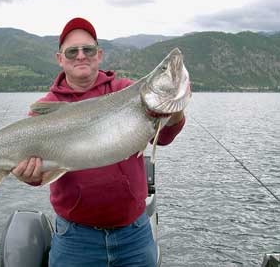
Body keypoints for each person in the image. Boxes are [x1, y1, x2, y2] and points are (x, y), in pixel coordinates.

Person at [11, 17, 185, 267]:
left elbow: (165, 137)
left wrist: (174, 109)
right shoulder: (43, 113)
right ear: (60, 59)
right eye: (72, 51)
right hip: (75, 240)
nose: (81, 56)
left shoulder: (128, 92)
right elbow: (38, 176)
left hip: (134, 235)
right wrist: (30, 176)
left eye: (88, 49)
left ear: (99, 55)